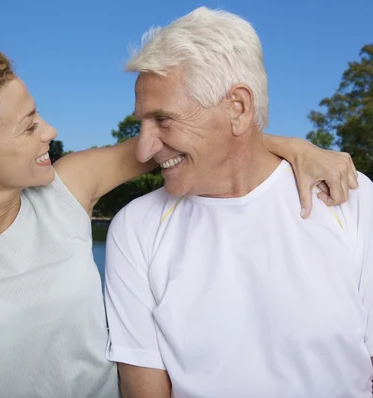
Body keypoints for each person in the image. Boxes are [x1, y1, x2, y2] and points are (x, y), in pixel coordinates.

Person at [0, 48, 357, 397]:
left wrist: (298, 147)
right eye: (29, 125)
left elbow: (202, 141)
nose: (49, 131)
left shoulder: (66, 188)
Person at [104, 7, 372, 398]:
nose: (144, 148)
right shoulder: (135, 228)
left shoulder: (350, 198)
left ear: (238, 108)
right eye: (142, 123)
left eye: (163, 121)